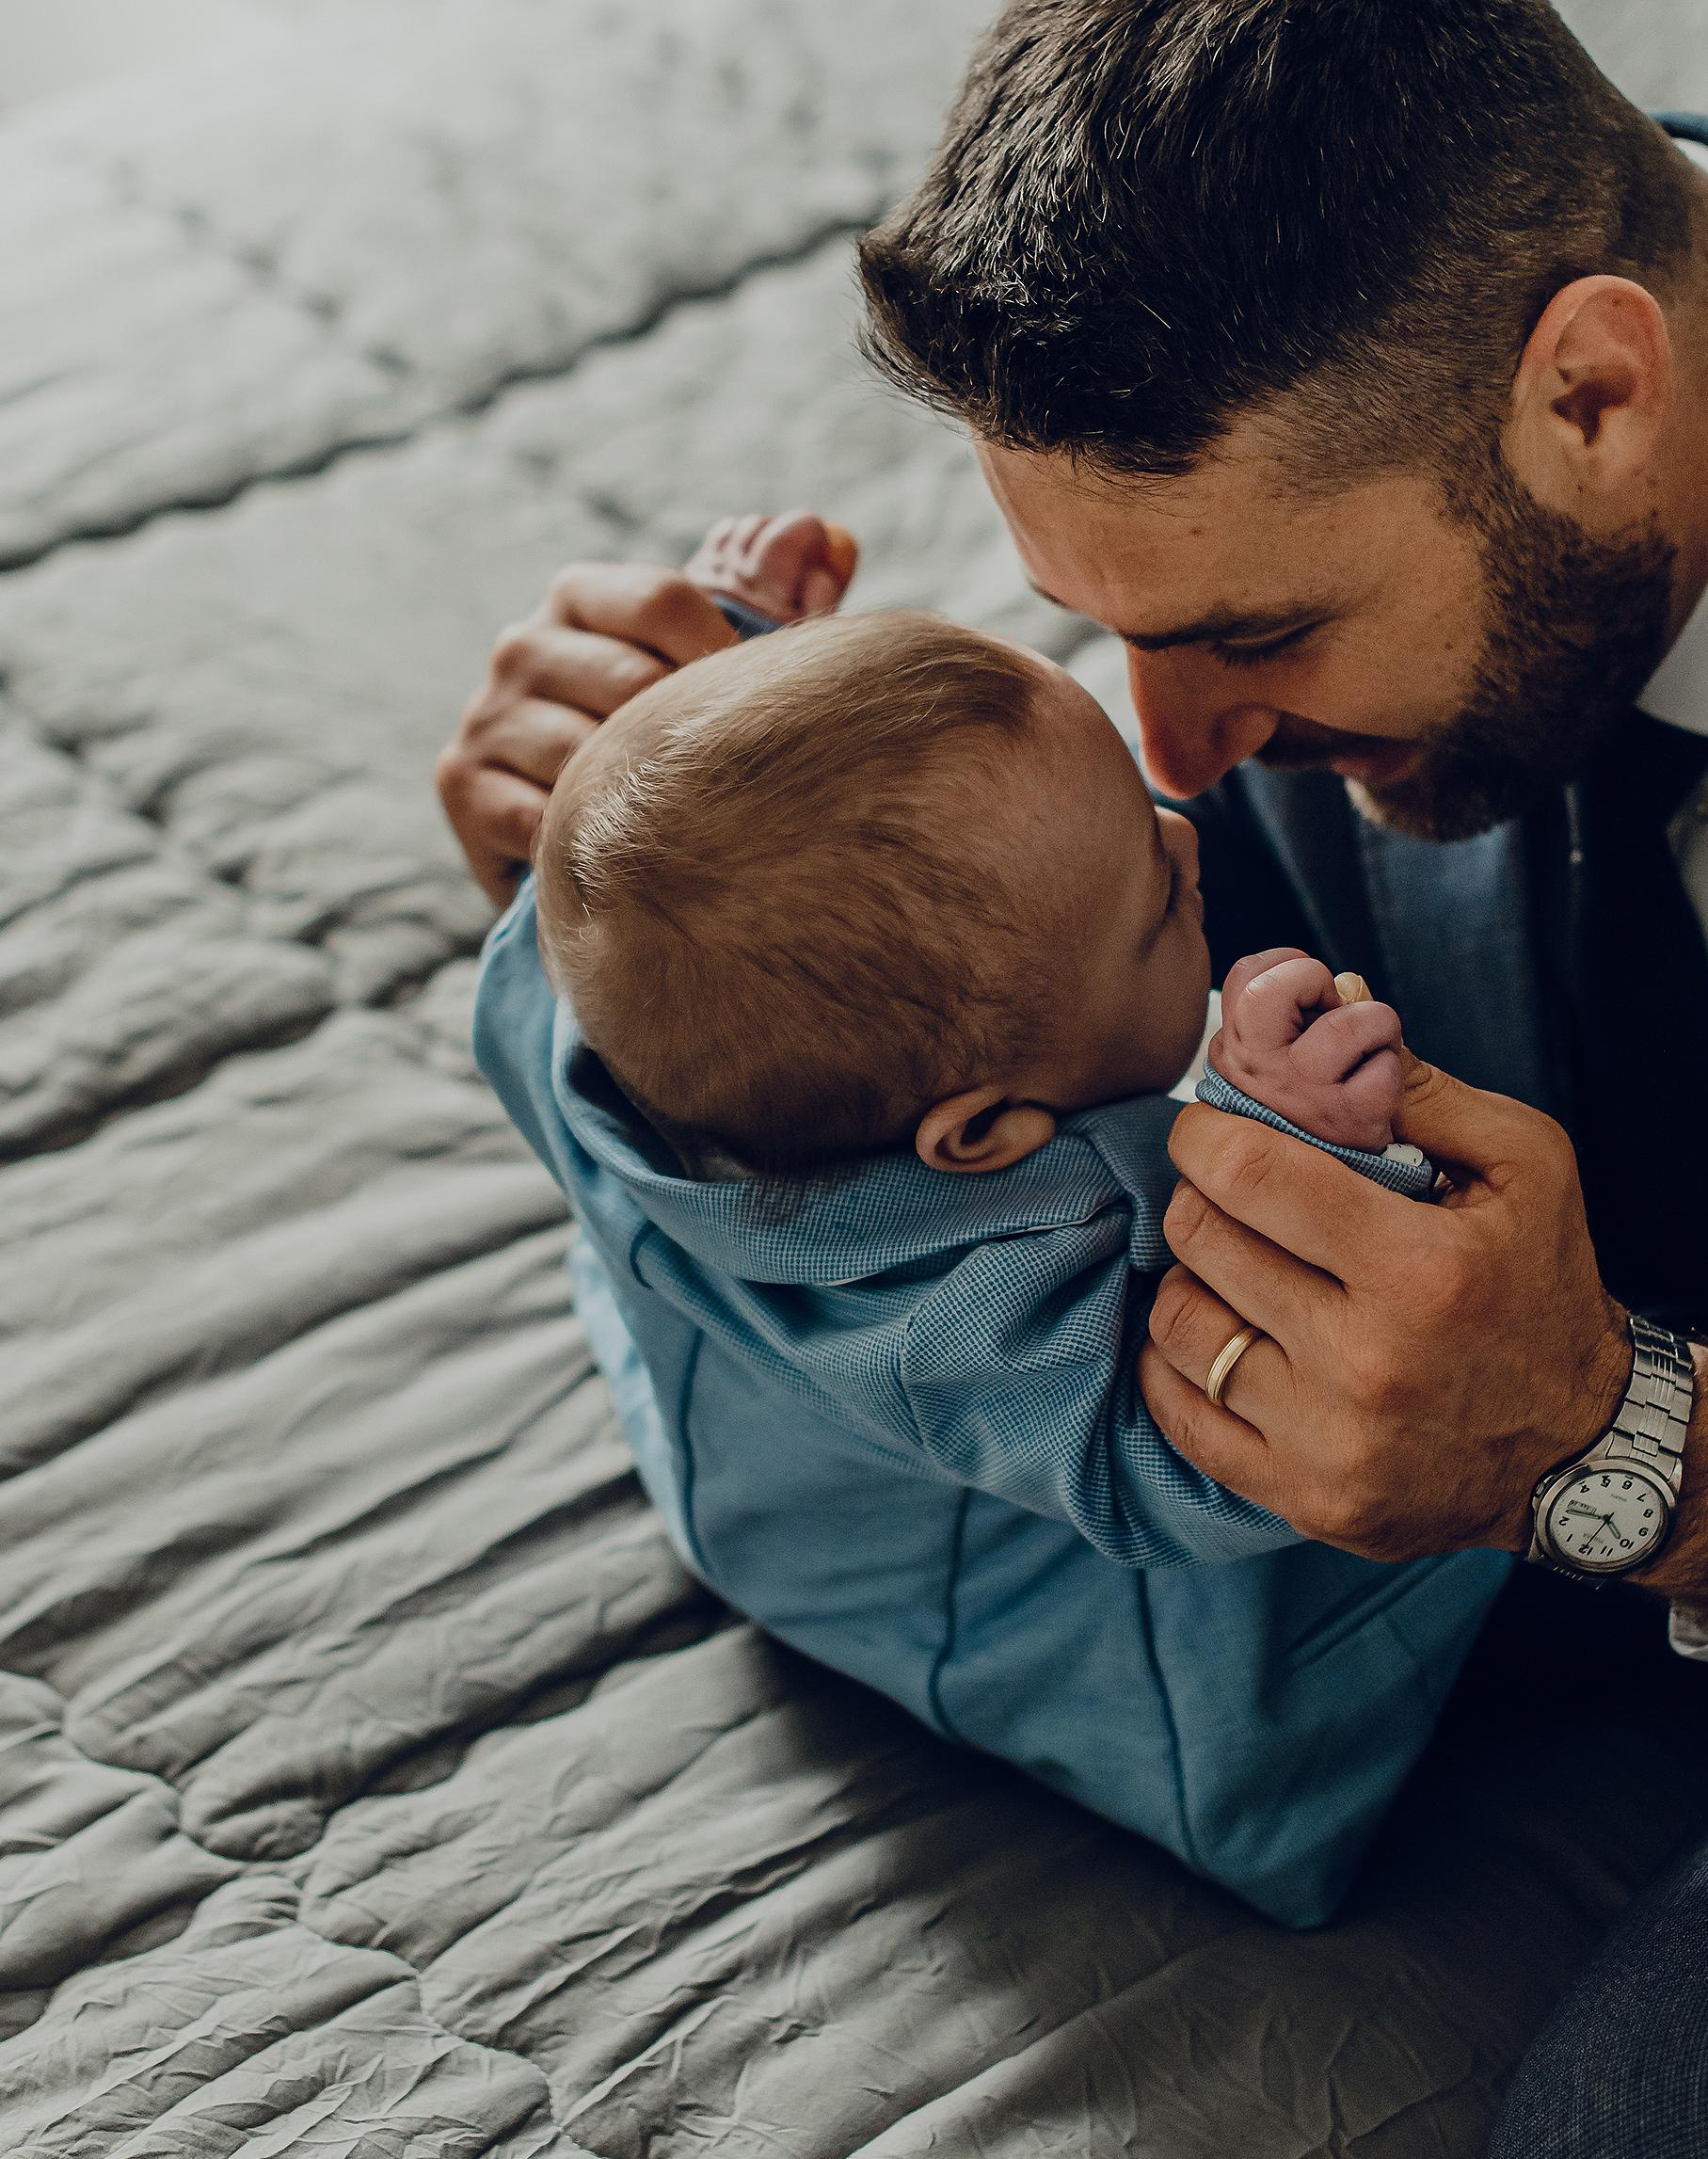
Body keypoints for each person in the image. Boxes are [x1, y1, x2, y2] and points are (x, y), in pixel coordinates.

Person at [439, 0, 1708, 2159]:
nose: (1177, 760)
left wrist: (1640, 1455)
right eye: (1101, 634)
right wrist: (654, 876)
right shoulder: (1336, 452)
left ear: (1596, 393)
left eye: (1252, 637)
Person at [474, 546, 1496, 1923]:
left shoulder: (560, 1001)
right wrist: (1299, 1142)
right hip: (1104, 1663)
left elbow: (683, 824)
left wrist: (750, 654)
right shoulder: (979, 1325)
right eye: (1153, 908)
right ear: (984, 1139)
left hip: (735, 1450)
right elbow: (1217, 1453)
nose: (1186, 835)